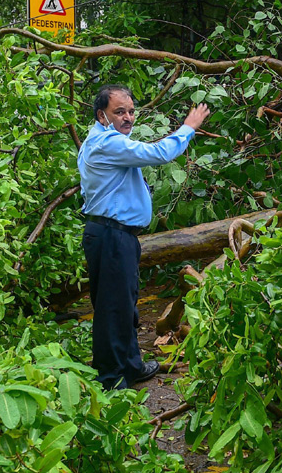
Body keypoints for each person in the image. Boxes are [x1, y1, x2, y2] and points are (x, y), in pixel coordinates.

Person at [78, 85, 210, 390]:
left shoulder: (104, 139)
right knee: (114, 309)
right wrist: (188, 128)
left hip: (114, 235)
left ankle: (131, 366)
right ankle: (112, 379)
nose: (128, 117)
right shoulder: (108, 143)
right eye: (119, 112)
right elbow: (158, 153)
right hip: (111, 236)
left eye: (131, 111)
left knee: (124, 305)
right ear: (102, 115)